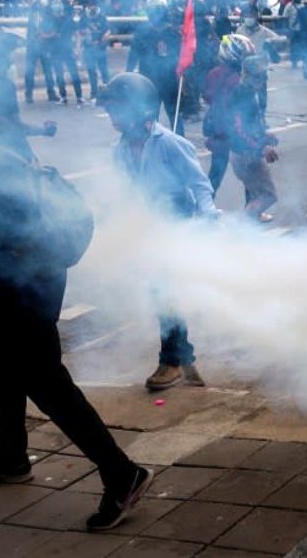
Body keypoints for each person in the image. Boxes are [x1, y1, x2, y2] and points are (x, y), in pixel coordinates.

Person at [0, 54, 153, 531]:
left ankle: (122, 473)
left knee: (46, 381)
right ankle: (10, 454)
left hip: (28, 278)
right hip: (34, 271)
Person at [99, 73, 217, 391]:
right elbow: (124, 189)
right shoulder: (120, 149)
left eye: (117, 109)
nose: (112, 117)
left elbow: (199, 185)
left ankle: (171, 362)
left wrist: (209, 215)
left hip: (177, 221)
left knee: (165, 293)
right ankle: (185, 357)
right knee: (163, 293)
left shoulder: (171, 144)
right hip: (150, 222)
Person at [229, 55, 280, 222]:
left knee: (255, 193)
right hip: (245, 154)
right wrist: (261, 148)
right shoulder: (241, 95)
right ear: (250, 76)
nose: (264, 79)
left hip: (248, 152)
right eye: (260, 75)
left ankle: (250, 222)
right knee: (268, 195)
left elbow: (251, 124)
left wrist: (265, 135)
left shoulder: (250, 93)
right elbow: (239, 130)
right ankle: (243, 224)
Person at [203, 34, 255, 192]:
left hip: (218, 128)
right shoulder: (238, 78)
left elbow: (207, 97)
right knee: (250, 174)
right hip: (235, 129)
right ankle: (252, 211)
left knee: (215, 174)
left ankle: (206, 208)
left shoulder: (214, 73)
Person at [126, 0, 181, 130]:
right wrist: (128, 75)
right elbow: (133, 56)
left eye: (158, 10)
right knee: (151, 117)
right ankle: (151, 144)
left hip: (167, 80)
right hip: (149, 81)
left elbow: (181, 55)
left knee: (173, 116)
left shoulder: (173, 32)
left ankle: (179, 144)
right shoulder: (142, 32)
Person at [81, 1, 111, 102]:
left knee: (104, 71)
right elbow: (80, 31)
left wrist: (103, 39)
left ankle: (108, 92)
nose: (92, 7)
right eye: (90, 5)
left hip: (100, 48)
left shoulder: (102, 17)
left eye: (93, 5)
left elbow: (108, 31)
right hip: (88, 48)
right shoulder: (84, 18)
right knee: (91, 71)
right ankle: (94, 93)